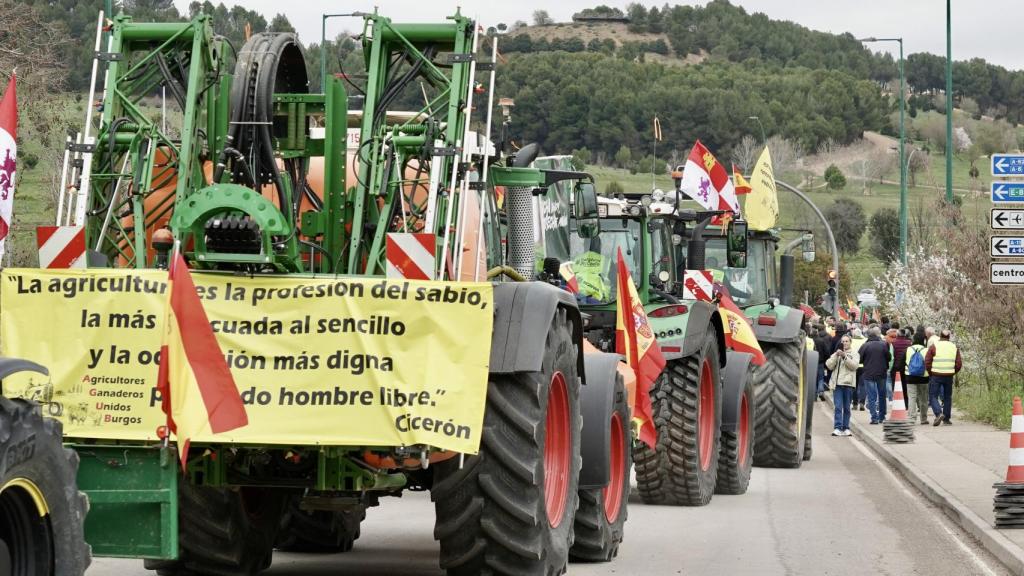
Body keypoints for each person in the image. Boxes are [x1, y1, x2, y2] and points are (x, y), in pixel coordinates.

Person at [926, 329, 963, 426]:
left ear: (940, 336)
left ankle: (938, 414)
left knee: (933, 396)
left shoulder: (934, 346)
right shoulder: (954, 347)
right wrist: (952, 371)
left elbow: (927, 361)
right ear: (949, 337)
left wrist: (931, 372)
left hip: (936, 375)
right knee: (947, 397)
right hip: (948, 375)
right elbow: (959, 364)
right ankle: (946, 419)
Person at [827, 334, 859, 437]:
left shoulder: (854, 354)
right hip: (837, 384)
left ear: (850, 342)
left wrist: (845, 357)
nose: (844, 343)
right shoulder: (837, 353)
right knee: (838, 407)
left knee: (846, 408)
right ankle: (837, 428)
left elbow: (854, 366)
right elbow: (829, 365)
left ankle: (846, 428)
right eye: (843, 341)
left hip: (848, 384)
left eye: (846, 341)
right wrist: (836, 356)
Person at [860, 326, 892, 424]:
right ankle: (882, 416)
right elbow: (889, 357)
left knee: (871, 396)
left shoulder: (865, 345)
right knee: (882, 395)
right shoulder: (884, 344)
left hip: (868, 373)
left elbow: (860, 359)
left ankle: (874, 418)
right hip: (881, 373)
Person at [904, 329, 930, 424]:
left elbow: (902, 362)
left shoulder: (908, 349)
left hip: (910, 377)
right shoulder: (926, 350)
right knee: (923, 398)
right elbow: (929, 363)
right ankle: (923, 418)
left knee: (912, 397)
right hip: (924, 377)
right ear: (924, 340)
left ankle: (912, 418)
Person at [890, 327, 911, 405]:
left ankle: (897, 402)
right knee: (905, 385)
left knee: (895, 385)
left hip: (896, 366)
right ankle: (906, 402)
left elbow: (891, 356)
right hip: (906, 367)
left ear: (897, 334)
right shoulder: (909, 343)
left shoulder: (893, 343)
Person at [849, 328, 868, 410]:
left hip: (853, 366)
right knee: (862, 385)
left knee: (854, 385)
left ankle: (855, 404)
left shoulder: (850, 341)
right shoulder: (865, 341)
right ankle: (862, 403)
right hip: (863, 366)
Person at [814, 324, 831, 400]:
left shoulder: (809, 340)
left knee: (813, 378)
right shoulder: (822, 340)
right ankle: (820, 391)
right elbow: (826, 351)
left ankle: (813, 395)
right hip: (820, 361)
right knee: (821, 378)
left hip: (811, 362)